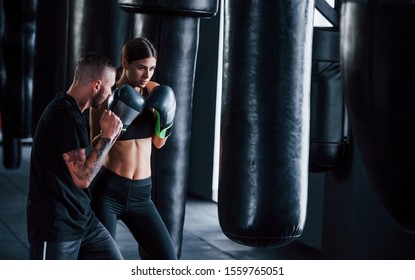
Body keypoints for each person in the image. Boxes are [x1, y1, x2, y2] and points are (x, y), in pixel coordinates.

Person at [27, 53, 124, 260]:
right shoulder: (64, 116)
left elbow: (83, 162)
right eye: (110, 87)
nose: (110, 94)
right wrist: (106, 137)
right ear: (97, 85)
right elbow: (82, 178)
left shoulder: (74, 111)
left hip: (83, 221)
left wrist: (111, 136)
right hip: (56, 227)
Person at [89, 37, 177, 260]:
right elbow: (94, 146)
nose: (147, 75)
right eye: (141, 67)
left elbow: (159, 143)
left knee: (167, 260)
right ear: (125, 63)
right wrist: (118, 126)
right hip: (109, 192)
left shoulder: (155, 92)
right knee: (103, 264)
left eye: (152, 68)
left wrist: (164, 121)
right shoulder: (105, 98)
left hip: (141, 194)